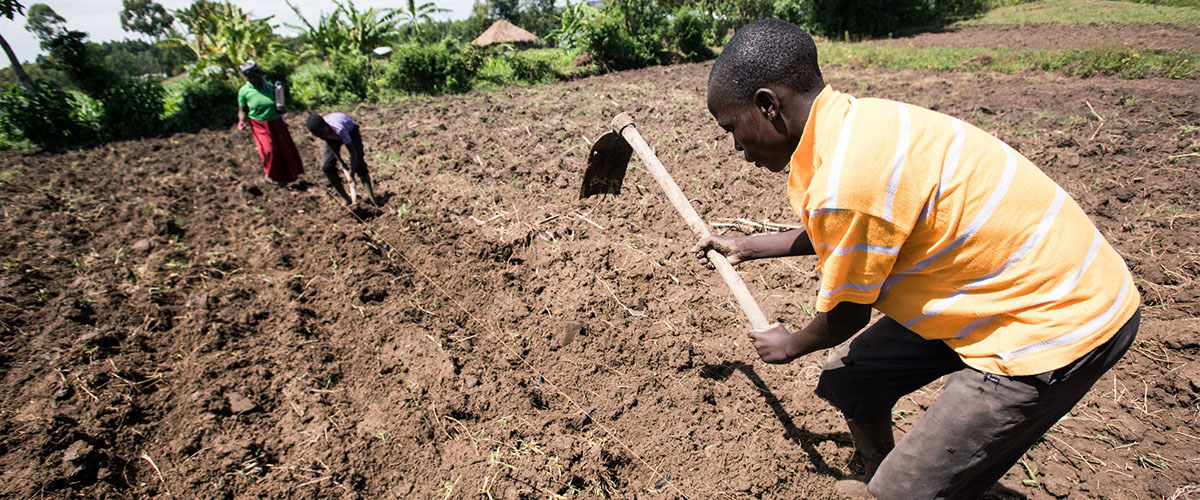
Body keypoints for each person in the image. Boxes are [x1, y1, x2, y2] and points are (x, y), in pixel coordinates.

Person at [692, 19, 1140, 500]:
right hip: (997, 286)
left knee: (901, 493)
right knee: (853, 380)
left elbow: (845, 315)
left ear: (767, 104)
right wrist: (752, 245)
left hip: (1053, 321)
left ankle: (902, 488)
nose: (736, 147)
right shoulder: (856, 123)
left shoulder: (847, 181)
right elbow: (865, 222)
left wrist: (790, 344)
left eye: (732, 129)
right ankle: (889, 472)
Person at [236, 60, 303, 185]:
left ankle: (286, 177)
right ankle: (270, 175)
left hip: (276, 122)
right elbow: (242, 109)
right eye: (249, 77)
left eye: (255, 75)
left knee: (284, 150)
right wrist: (241, 121)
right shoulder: (244, 91)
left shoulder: (272, 87)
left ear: (259, 73)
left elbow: (281, 106)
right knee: (269, 150)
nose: (253, 79)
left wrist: (283, 109)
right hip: (259, 124)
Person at [304, 112, 378, 206]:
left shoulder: (339, 129)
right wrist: (342, 164)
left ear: (326, 125)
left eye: (321, 133)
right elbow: (334, 150)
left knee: (359, 165)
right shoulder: (321, 133)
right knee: (327, 166)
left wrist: (351, 174)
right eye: (318, 135)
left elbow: (352, 153)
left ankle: (372, 200)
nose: (320, 136)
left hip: (351, 132)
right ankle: (346, 199)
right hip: (332, 137)